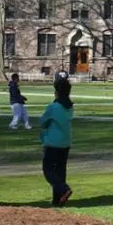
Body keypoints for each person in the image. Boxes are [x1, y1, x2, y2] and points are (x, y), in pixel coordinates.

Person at [39, 76, 74, 206]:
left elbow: (43, 122)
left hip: (53, 142)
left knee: (48, 169)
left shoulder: (53, 107)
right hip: (65, 142)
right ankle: (58, 200)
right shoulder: (69, 107)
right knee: (60, 171)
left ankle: (64, 189)